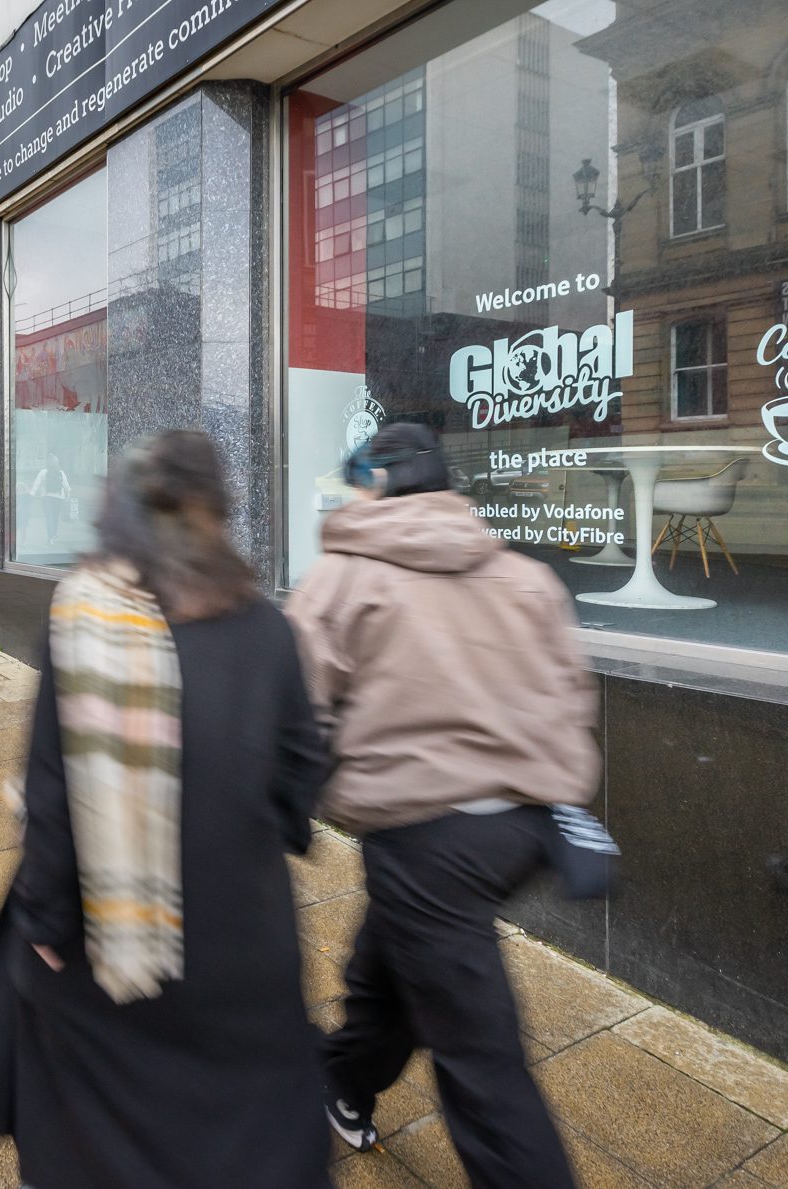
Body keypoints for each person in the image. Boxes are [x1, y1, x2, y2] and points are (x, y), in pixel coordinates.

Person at [0, 430, 333, 1187]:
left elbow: (50, 796)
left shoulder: (84, 621)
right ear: (219, 510)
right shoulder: (266, 627)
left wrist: (47, 929)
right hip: (242, 942)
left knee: (96, 1142)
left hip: (109, 957)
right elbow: (300, 783)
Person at [286, 422, 598, 1185]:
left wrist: (288, 802)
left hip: (423, 836)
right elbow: (570, 695)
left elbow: (297, 709)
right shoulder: (523, 576)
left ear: (376, 483)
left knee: (481, 1059)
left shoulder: (341, 579)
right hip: (523, 831)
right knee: (391, 960)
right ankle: (344, 1077)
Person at [29, 453, 70, 544]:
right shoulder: (60, 472)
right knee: (55, 517)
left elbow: (37, 484)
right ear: (57, 463)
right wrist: (68, 495)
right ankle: (54, 535)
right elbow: (66, 486)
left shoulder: (43, 472)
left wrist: (31, 494)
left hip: (46, 497)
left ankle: (50, 537)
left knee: (49, 517)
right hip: (59, 498)